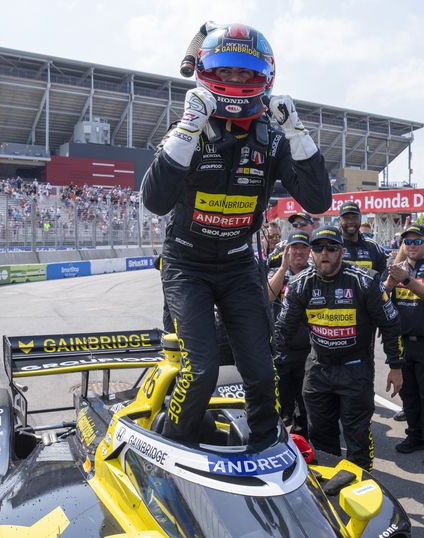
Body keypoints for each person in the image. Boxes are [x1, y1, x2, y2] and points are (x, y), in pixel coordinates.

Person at [142, 23, 332, 448]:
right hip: (186, 265)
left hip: (238, 266)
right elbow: (155, 201)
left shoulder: (274, 137)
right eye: (226, 71)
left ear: (265, 76)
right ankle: (174, 443)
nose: (235, 81)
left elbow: (318, 201)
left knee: (263, 369)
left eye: (246, 73)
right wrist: (189, 129)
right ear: (207, 73)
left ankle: (267, 446)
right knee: (202, 369)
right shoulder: (185, 130)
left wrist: (297, 130)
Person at [274, 226, 403, 471]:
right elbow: (282, 328)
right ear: (312, 253)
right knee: (321, 439)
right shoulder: (301, 283)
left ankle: (363, 487)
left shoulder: (364, 281)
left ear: (341, 252)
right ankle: (330, 493)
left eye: (331, 247)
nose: (325, 253)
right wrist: (274, 367)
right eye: (318, 247)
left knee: (357, 438)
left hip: (355, 369)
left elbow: (391, 322)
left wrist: (395, 366)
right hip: (318, 370)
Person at [384, 224, 424, 467]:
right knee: (408, 395)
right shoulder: (395, 269)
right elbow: (380, 298)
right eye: (407, 242)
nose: (412, 246)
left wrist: (407, 280)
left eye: (417, 241)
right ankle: (415, 435)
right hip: (403, 342)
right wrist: (390, 283)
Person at [267, 230, 312, 438]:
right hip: (280, 346)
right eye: (295, 248)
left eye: (303, 248)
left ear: (309, 251)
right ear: (288, 250)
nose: (299, 252)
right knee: (282, 398)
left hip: (308, 347)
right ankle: (282, 434)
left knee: (304, 399)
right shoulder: (276, 272)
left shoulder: (315, 274)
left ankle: (304, 437)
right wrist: (284, 266)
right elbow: (269, 295)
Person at [338, 201, 388, 273]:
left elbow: (383, 277)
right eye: (346, 218)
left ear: (360, 219)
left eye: (355, 217)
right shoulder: (332, 245)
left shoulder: (373, 246)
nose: (351, 221)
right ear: (340, 220)